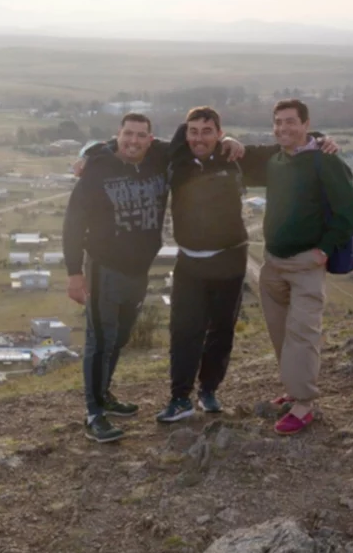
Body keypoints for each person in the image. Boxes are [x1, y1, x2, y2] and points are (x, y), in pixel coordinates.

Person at [63, 114, 245, 442]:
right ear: (117, 135)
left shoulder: (160, 156)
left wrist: (228, 139)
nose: (133, 141)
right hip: (104, 268)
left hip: (139, 271)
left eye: (140, 135)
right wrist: (74, 272)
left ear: (151, 139)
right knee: (100, 341)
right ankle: (94, 414)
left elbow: (194, 137)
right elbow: (73, 222)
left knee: (119, 338)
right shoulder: (98, 168)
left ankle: (104, 395)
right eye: (127, 134)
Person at [156, 108, 338, 423]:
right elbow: (131, 145)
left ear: (219, 133)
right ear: (185, 134)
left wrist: (320, 139)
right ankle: (180, 398)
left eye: (207, 131)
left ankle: (209, 390)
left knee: (222, 330)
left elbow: (285, 148)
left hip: (230, 258)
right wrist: (89, 155)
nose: (199, 138)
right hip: (189, 261)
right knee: (184, 331)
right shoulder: (175, 159)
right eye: (193, 131)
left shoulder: (236, 158)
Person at [252, 99, 353, 435]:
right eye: (278, 122)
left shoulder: (325, 161)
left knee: (302, 334)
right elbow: (236, 155)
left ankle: (303, 404)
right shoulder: (276, 159)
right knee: (281, 333)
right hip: (273, 263)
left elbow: (351, 210)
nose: (283, 128)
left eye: (290, 121)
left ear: (306, 124)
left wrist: (325, 248)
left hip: (306, 264)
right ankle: (292, 389)